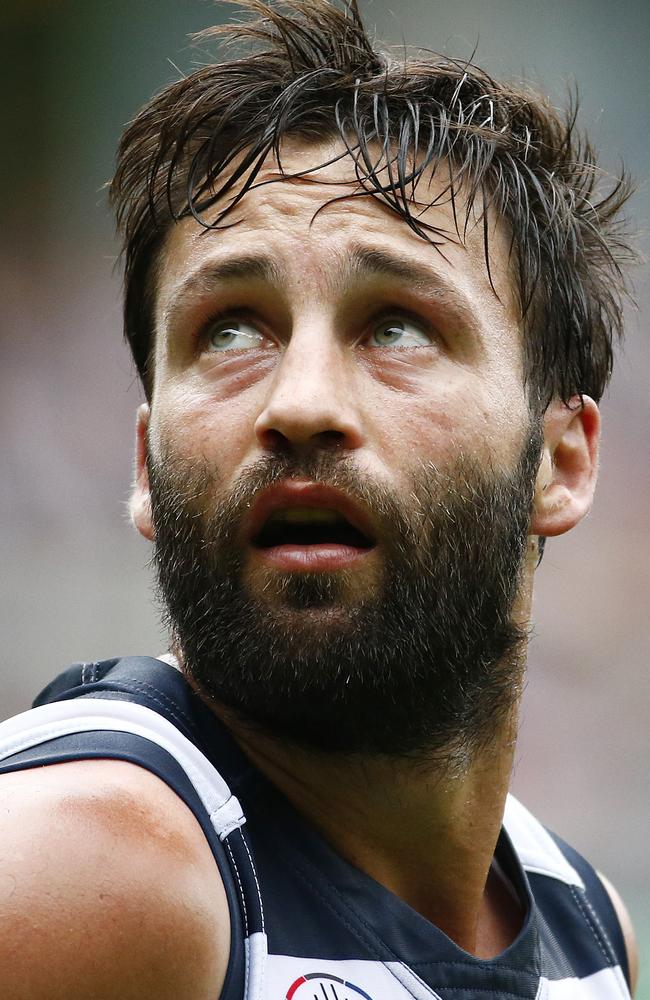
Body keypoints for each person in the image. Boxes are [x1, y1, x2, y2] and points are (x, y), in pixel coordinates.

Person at [0, 1, 639, 997]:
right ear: (143, 467)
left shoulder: (586, 924)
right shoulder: (85, 868)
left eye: (394, 326)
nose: (297, 403)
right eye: (227, 329)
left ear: (559, 461)